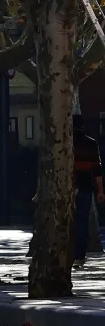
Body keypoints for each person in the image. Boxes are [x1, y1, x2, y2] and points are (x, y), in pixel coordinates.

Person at [72, 114, 105, 267]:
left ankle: (67, 253)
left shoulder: (64, 143)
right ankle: (79, 256)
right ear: (83, 126)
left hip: (67, 187)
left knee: (66, 221)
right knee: (82, 222)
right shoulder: (91, 143)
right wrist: (100, 190)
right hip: (85, 187)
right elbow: (97, 169)